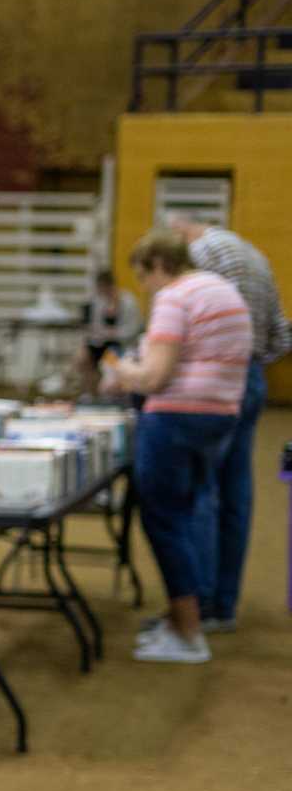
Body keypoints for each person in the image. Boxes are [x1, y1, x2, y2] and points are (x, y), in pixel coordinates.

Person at [103, 229, 251, 665]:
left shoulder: (175, 296)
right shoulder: (221, 290)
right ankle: (184, 616)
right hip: (219, 415)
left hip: (176, 417)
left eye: (143, 278)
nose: (145, 289)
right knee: (188, 514)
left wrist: (121, 369)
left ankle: (187, 631)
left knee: (162, 518)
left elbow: (154, 378)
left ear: (157, 266)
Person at [165, 214, 291, 633]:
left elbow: (189, 318)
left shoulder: (199, 255)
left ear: (181, 232)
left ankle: (197, 603)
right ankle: (225, 604)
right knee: (237, 493)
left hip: (216, 377)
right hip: (252, 375)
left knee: (202, 488)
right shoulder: (258, 256)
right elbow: (282, 337)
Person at [75, 268, 139, 387]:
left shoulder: (128, 301)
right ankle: (91, 394)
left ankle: (107, 388)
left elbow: (133, 330)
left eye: (104, 288)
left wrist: (114, 333)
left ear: (111, 285)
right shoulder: (98, 301)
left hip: (120, 345)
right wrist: (85, 345)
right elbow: (94, 329)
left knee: (109, 362)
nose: (102, 291)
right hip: (100, 343)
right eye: (100, 288)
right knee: (82, 359)